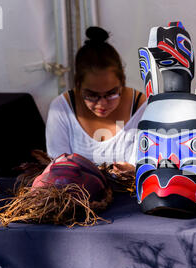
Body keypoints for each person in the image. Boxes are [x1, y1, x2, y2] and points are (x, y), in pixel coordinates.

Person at [45, 26, 147, 170]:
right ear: (78, 85)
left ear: (122, 81)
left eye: (111, 93)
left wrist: (133, 171)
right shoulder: (61, 109)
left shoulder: (142, 107)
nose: (102, 103)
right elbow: (59, 169)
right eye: (92, 95)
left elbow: (146, 167)